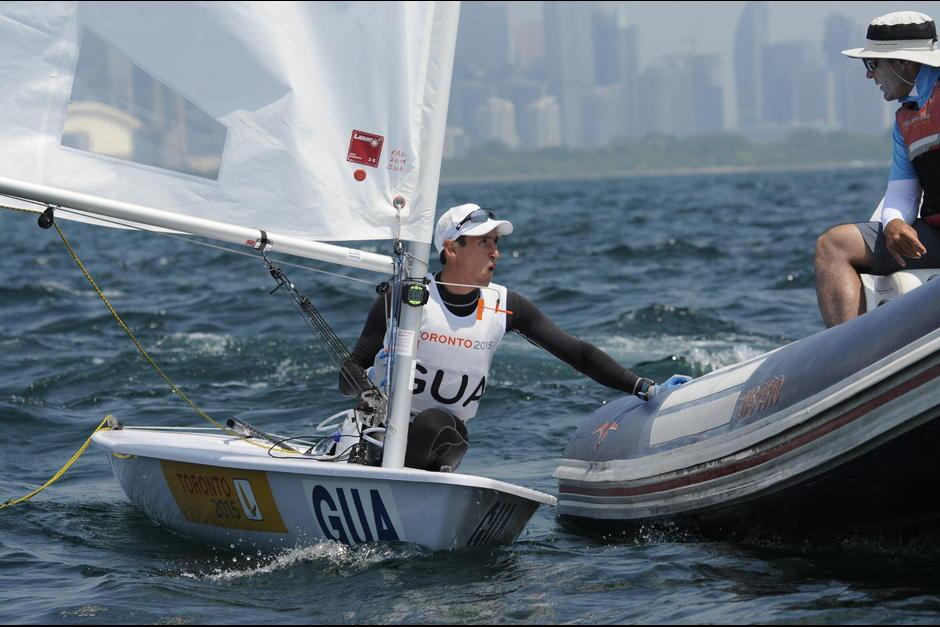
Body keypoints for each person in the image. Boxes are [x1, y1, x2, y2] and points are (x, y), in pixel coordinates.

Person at [339, 203, 691, 472]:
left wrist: (644, 388)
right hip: (375, 435)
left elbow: (577, 354)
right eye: (484, 242)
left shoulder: (505, 305)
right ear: (451, 249)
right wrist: (366, 388)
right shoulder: (406, 298)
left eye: (496, 242)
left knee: (438, 424)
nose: (495, 252)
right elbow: (348, 375)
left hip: (440, 440)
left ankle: (403, 490)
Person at [815, 11, 940, 328]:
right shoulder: (904, 120)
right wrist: (894, 222)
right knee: (833, 246)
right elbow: (902, 191)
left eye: (872, 64)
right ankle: (848, 351)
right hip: (935, 236)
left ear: (903, 62)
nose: (870, 75)